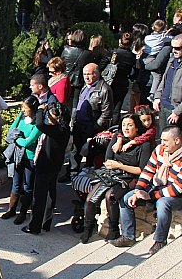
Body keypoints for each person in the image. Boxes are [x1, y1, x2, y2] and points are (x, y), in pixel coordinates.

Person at [79, 114, 152, 243]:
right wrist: (116, 165)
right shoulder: (117, 139)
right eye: (124, 125)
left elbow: (141, 170)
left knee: (110, 196)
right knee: (91, 199)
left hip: (129, 178)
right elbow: (108, 160)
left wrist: (120, 166)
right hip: (111, 175)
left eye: (130, 125)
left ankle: (113, 229)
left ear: (137, 128)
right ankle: (87, 227)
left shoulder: (144, 145)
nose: (126, 128)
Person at [110, 126, 182, 255]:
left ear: (177, 141)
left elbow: (177, 189)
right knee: (126, 198)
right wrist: (138, 190)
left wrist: (150, 196)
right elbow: (148, 171)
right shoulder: (159, 150)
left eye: (166, 140)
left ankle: (160, 241)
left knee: (163, 204)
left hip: (176, 195)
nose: (162, 143)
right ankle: (128, 236)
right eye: (162, 140)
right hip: (157, 187)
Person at [22, 103, 70, 234]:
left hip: (45, 165)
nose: (47, 116)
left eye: (50, 114)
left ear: (58, 117)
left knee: (39, 197)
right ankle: (46, 222)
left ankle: (34, 226)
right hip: (55, 165)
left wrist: (39, 110)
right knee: (50, 193)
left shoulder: (57, 129)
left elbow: (39, 125)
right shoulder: (64, 129)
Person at [1, 96, 41, 224]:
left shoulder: (38, 124)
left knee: (28, 186)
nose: (23, 109)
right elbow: (11, 130)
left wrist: (16, 138)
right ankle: (12, 209)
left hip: (29, 158)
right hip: (18, 157)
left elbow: (27, 142)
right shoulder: (22, 118)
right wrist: (19, 116)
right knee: (16, 184)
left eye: (25, 107)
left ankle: (23, 212)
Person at [72, 63, 113, 168]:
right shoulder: (85, 87)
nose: (86, 77)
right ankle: (72, 172)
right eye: (84, 74)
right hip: (79, 124)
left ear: (97, 74)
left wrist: (95, 128)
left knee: (90, 153)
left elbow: (106, 113)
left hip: (92, 126)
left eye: (89, 74)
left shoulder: (104, 89)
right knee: (75, 151)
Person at [101, 30, 136, 125]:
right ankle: (114, 129)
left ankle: (104, 126)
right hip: (123, 83)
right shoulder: (132, 56)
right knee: (117, 108)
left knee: (106, 106)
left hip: (110, 82)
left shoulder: (114, 53)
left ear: (120, 41)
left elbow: (103, 64)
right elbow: (134, 71)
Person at [153, 34, 182, 135]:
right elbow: (164, 79)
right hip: (164, 106)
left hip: (175, 110)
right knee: (163, 139)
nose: (174, 50)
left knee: (174, 142)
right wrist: (157, 97)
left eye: (177, 48)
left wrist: (177, 112)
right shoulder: (172, 60)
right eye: (172, 47)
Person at [62, 29, 94, 109]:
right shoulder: (88, 54)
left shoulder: (66, 50)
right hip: (79, 81)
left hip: (66, 79)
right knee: (76, 103)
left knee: (66, 102)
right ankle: (73, 120)